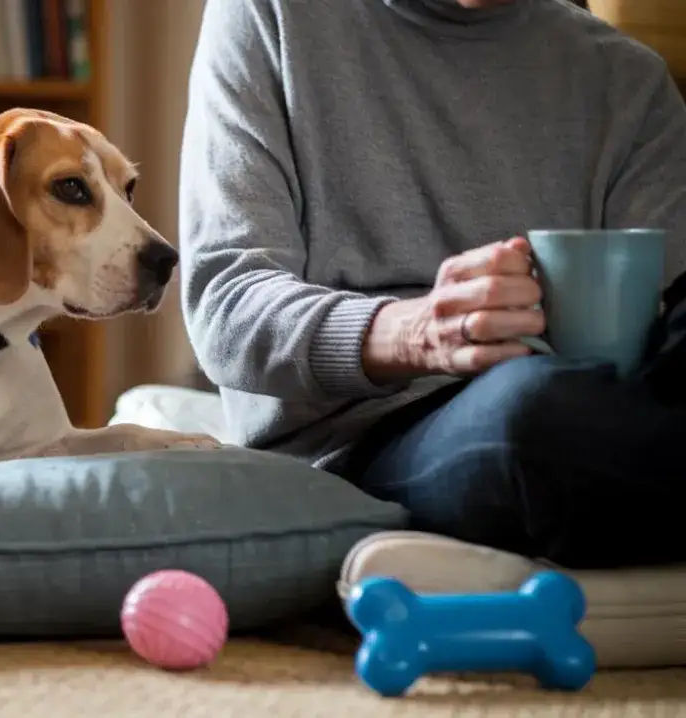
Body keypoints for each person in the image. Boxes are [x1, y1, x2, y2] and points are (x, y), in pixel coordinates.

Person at [178, 0, 686, 570]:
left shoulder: (630, 83)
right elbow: (227, 306)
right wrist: (416, 333)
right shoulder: (271, 15)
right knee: (539, 415)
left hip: (595, 403)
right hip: (367, 436)